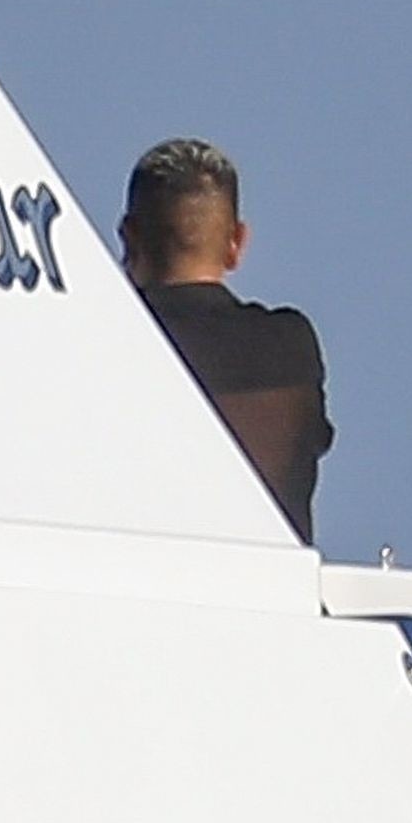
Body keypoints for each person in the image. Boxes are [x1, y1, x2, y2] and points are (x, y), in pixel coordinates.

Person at [120, 138, 334, 543]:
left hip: (143, 570)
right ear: (236, 242)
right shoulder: (290, 346)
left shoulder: (117, 342)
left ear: (129, 237)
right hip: (272, 578)